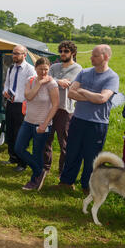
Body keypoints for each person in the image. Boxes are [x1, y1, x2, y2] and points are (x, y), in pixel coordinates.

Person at [51, 45, 119, 195]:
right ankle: (66, 182)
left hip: (97, 123)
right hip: (78, 119)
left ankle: (87, 186)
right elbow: (71, 94)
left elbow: (102, 98)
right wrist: (91, 96)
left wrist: (82, 91)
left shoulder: (112, 77)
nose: (91, 58)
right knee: (72, 152)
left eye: (95, 55)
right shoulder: (84, 72)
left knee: (92, 157)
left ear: (105, 57)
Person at [14, 57, 59, 191]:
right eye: (41, 69)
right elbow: (28, 97)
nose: (44, 72)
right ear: (35, 69)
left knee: (37, 153)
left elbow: (55, 105)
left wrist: (44, 125)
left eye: (46, 69)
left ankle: (34, 180)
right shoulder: (31, 80)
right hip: (28, 121)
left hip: (42, 124)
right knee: (19, 149)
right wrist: (39, 84)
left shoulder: (52, 84)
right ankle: (40, 172)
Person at [43, 41, 82, 176]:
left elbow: (67, 83)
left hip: (65, 109)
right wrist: (57, 81)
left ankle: (63, 171)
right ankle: (45, 167)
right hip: (49, 107)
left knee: (64, 142)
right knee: (46, 138)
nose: (63, 54)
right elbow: (46, 78)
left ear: (73, 53)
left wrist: (54, 80)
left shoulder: (77, 68)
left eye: (66, 51)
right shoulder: (55, 66)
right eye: (61, 51)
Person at [1, 45, 36, 172]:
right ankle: (13, 157)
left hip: (23, 105)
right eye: (13, 53)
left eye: (17, 53)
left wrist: (21, 98)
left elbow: (33, 88)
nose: (14, 56)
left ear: (24, 55)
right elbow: (7, 83)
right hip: (10, 104)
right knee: (10, 131)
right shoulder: (11, 68)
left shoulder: (30, 69)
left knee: (20, 134)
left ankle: (22, 162)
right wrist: (5, 92)